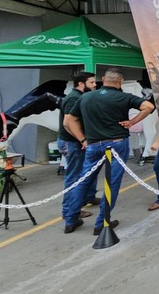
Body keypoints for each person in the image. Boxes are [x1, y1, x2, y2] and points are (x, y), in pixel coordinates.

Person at [62, 67, 155, 235]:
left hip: (92, 145)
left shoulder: (86, 97)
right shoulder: (124, 97)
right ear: (120, 81)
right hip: (117, 144)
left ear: (103, 79)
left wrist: (82, 139)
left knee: (84, 181)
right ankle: (101, 223)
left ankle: (70, 220)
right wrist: (132, 122)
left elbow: (69, 121)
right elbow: (148, 106)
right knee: (111, 183)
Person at [57, 71, 100, 221]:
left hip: (75, 142)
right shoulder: (74, 98)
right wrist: (82, 140)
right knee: (74, 177)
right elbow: (67, 123)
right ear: (81, 84)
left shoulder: (79, 96)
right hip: (72, 143)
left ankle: (88, 197)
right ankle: (69, 210)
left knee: (88, 171)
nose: (95, 85)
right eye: (91, 82)